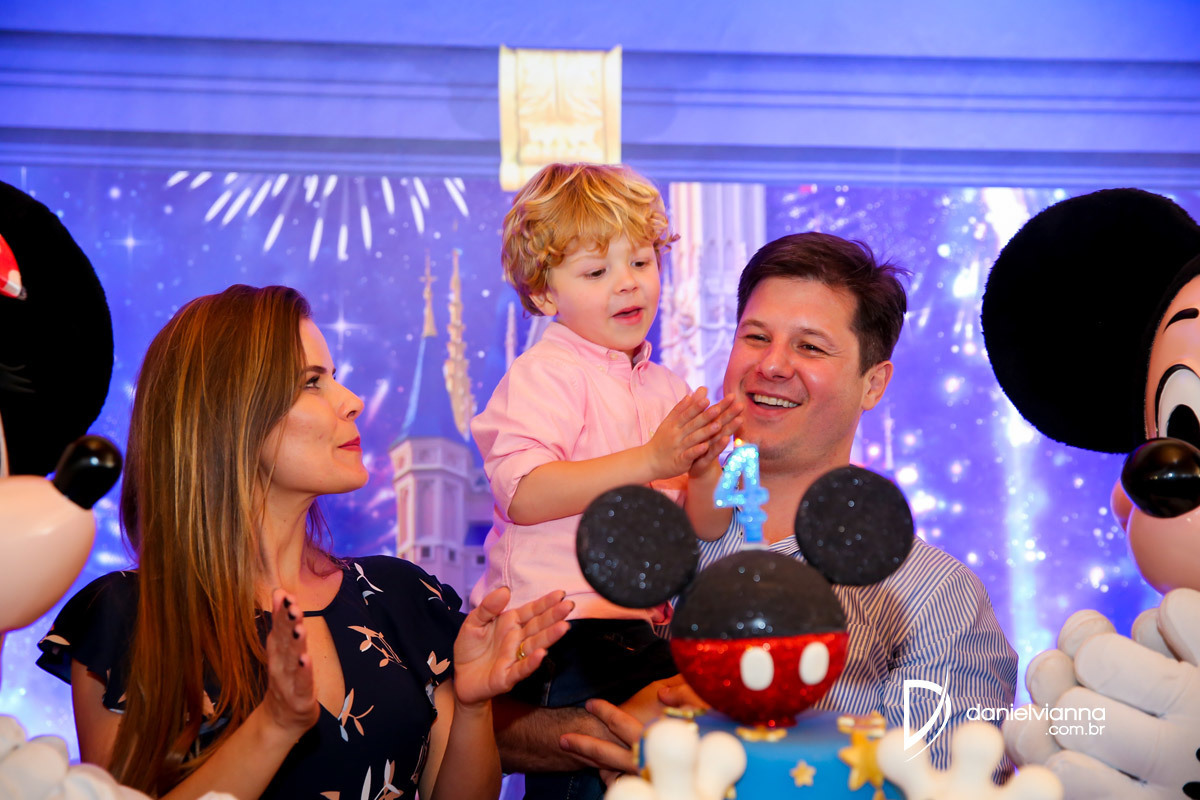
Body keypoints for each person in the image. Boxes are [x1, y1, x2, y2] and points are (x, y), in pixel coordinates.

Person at [512, 232, 1018, 780]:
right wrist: (606, 729)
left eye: (810, 347)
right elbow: (478, 718)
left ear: (873, 384)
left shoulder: (937, 599)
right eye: (755, 337)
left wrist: (728, 756)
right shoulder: (640, 517)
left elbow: (940, 784)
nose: (772, 365)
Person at [36, 285, 573, 800]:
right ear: (229, 416)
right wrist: (274, 726)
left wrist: (475, 707)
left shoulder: (402, 599)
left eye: (334, 377)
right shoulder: (128, 620)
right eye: (312, 382)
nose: (353, 401)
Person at [471, 163, 740, 798]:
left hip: (637, 629)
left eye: (641, 262)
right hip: (558, 627)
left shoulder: (665, 387)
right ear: (545, 294)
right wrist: (651, 459)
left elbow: (702, 528)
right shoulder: (546, 374)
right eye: (596, 272)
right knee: (602, 762)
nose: (627, 283)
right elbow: (524, 492)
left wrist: (706, 468)